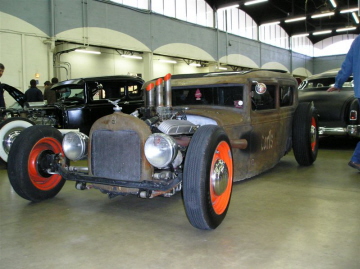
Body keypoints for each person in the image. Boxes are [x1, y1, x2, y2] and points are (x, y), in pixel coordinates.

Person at [327, 35, 360, 172]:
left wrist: (338, 83)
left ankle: (357, 159)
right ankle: (357, 159)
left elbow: (348, 64)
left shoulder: (358, 41)